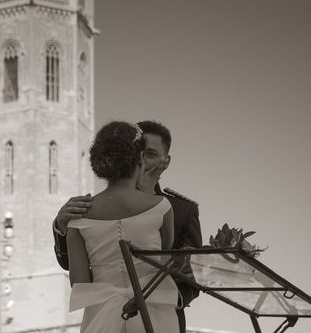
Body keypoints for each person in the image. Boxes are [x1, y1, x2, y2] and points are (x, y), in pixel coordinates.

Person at [53, 120, 201, 333]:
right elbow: (163, 262)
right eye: (145, 154)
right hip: (155, 319)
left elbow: (80, 284)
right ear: (137, 159)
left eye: (152, 154)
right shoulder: (163, 207)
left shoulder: (81, 214)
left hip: (101, 317)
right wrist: (59, 224)